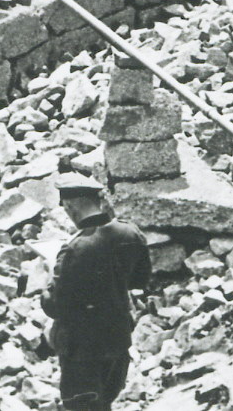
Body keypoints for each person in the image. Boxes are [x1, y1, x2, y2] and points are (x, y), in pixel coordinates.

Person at [43, 174, 152, 411]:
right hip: (118, 340)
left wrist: (47, 282)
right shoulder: (130, 233)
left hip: (82, 351)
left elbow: (54, 305)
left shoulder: (74, 249)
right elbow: (141, 281)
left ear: (71, 207)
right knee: (105, 402)